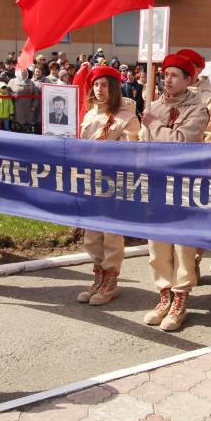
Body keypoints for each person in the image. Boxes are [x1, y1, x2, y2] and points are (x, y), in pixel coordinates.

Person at [140, 54, 209, 331]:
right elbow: (144, 146)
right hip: (156, 183)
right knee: (157, 246)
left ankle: (180, 300)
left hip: (183, 185)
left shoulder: (198, 109)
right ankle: (164, 296)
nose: (167, 80)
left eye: (174, 75)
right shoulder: (153, 107)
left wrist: (153, 124)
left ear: (188, 80)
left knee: (182, 246)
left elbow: (180, 142)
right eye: (165, 74)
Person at [77, 65, 141, 305]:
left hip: (114, 182)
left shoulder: (127, 117)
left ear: (113, 88)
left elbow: (131, 153)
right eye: (95, 85)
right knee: (92, 233)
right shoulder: (89, 114)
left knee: (111, 234)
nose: (99, 89)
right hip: (90, 180)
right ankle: (98, 277)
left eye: (104, 85)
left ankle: (111, 280)